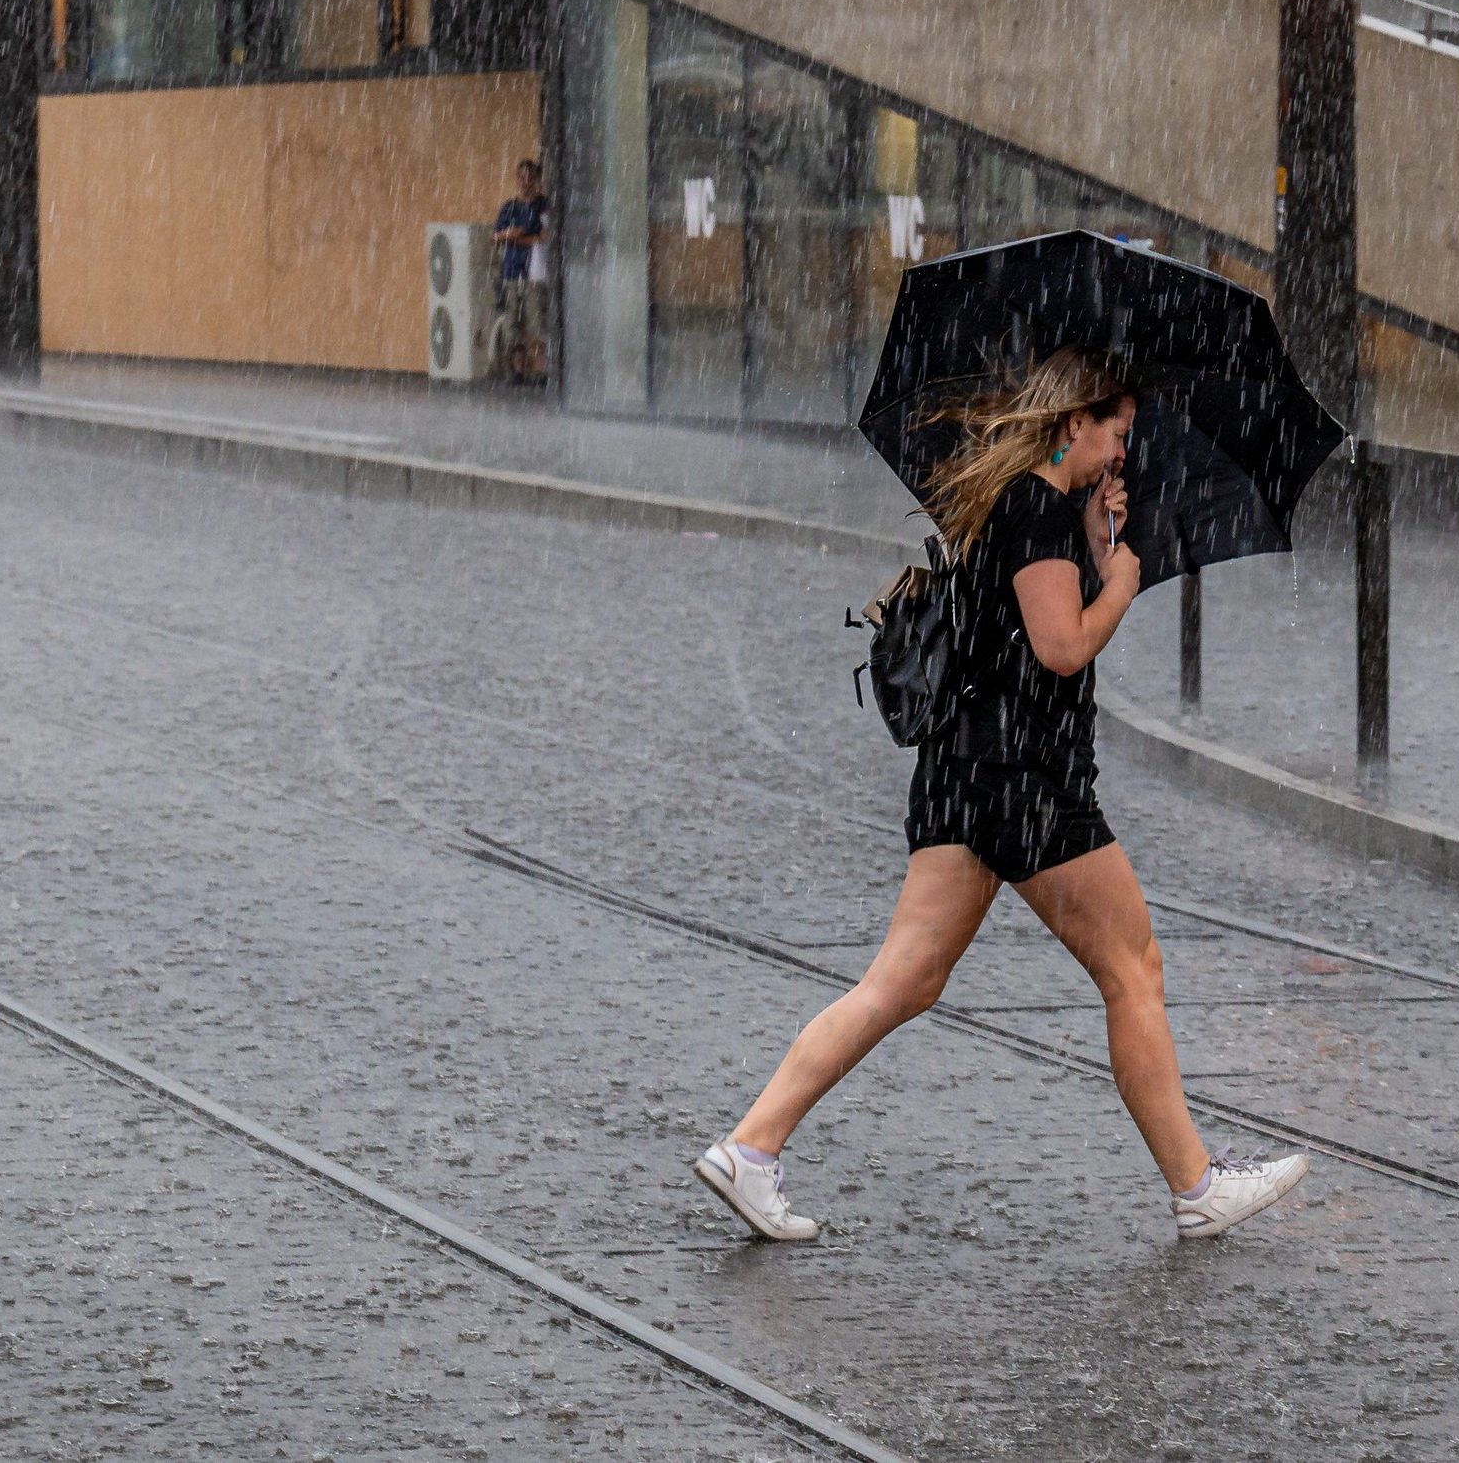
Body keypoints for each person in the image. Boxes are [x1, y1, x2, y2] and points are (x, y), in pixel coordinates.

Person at [695, 348, 1311, 1243]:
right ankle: (1197, 1184)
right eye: (1115, 434)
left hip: (962, 774)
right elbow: (1062, 646)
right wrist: (1125, 583)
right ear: (1073, 425)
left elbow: (1029, 631)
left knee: (900, 981)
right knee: (1132, 968)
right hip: (1025, 784)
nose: (1122, 455)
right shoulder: (1031, 508)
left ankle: (749, 1150)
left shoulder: (1009, 505)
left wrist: (1098, 541)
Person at [488, 159, 549, 383]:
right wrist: (509, 235)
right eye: (521, 178)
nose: (525, 183)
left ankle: (542, 371)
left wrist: (519, 238)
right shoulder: (509, 207)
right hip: (512, 271)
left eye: (529, 178)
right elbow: (495, 235)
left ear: (536, 180)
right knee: (513, 321)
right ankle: (517, 371)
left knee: (537, 320)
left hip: (535, 271)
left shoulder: (543, 206)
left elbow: (544, 236)